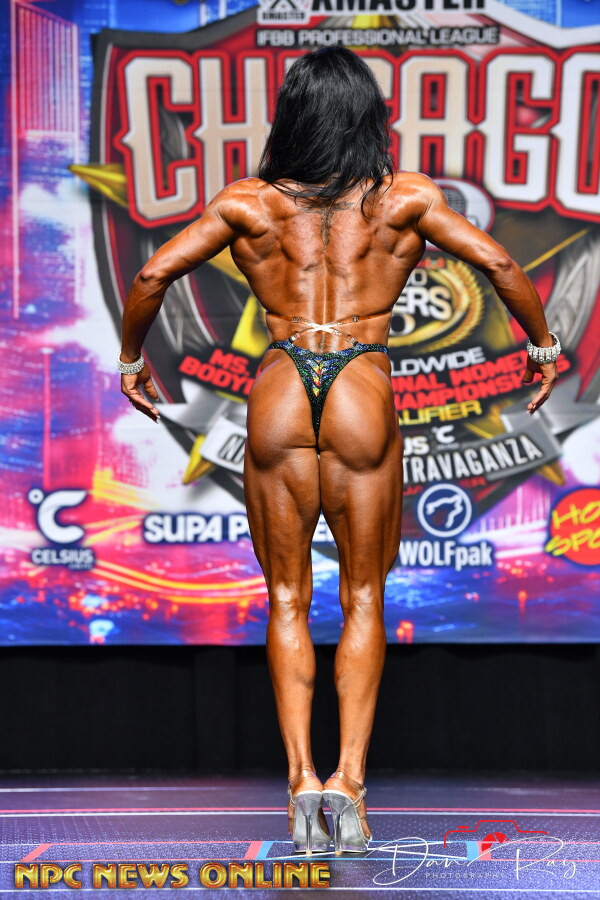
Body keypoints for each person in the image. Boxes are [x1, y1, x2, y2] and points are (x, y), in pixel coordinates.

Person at [118, 47, 559, 855]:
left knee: (286, 598)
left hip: (282, 384)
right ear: (368, 118)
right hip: (361, 382)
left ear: (291, 117)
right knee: (363, 597)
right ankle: (349, 782)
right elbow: (498, 263)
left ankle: (300, 785)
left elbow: (151, 277)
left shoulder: (249, 203)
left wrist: (129, 362)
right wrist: (541, 348)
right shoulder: (405, 199)